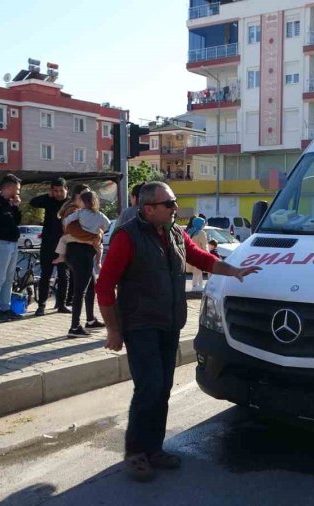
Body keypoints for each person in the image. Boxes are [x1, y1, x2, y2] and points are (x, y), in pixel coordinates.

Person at [96, 182, 261, 482]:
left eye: (174, 203)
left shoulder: (174, 232)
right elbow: (104, 285)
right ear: (148, 209)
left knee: (163, 388)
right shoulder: (127, 236)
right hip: (140, 323)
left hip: (169, 323)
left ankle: (154, 449)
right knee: (149, 387)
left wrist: (233, 271)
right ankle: (135, 453)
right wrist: (113, 330)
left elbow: (199, 256)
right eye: (169, 204)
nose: (175, 209)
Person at [61, 189, 106, 338]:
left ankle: (90, 320)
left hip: (73, 252)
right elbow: (106, 225)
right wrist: (97, 232)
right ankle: (74, 327)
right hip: (84, 253)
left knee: (90, 285)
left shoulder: (78, 214)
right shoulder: (99, 215)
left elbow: (66, 221)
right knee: (80, 291)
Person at [30, 178, 70, 316]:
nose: (59, 193)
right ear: (52, 191)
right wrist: (48, 196)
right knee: (45, 275)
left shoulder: (70, 203)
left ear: (66, 190)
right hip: (48, 244)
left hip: (64, 243)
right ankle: (41, 305)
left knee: (63, 276)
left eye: (61, 190)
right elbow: (33, 202)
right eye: (55, 191)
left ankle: (62, 304)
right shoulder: (48, 201)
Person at [0, 174, 23, 321]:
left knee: (9, 279)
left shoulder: (10, 203)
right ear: (8, 187)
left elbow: (17, 221)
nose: (18, 192)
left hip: (13, 243)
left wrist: (16, 207)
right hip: (1, 242)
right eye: (17, 189)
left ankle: (6, 307)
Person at [186, 216, 207, 290]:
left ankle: (199, 285)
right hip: (199, 254)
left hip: (191, 254)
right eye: (203, 223)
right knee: (197, 271)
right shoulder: (201, 233)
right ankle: (195, 286)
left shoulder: (189, 231)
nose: (204, 225)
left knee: (197, 271)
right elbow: (204, 245)